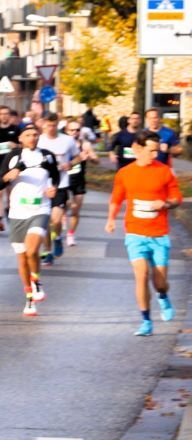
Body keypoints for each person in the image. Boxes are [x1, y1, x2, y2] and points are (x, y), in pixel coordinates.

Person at [107, 134, 183, 336]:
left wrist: (165, 204)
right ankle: (146, 321)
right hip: (135, 233)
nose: (155, 154)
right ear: (137, 148)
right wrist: (111, 218)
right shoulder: (125, 173)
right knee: (141, 276)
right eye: (151, 150)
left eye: (156, 150)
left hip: (159, 234)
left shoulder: (164, 171)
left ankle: (163, 297)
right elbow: (116, 198)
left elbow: (177, 198)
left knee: (159, 283)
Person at [0, 124, 61, 317]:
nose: (32, 138)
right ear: (21, 138)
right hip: (17, 211)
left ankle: (36, 281)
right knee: (22, 257)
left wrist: (53, 189)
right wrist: (11, 175)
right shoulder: (13, 157)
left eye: (35, 135)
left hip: (40, 208)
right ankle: (29, 298)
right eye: (28, 135)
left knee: (33, 249)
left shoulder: (47, 156)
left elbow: (55, 178)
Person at [36, 113, 80, 264]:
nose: (51, 128)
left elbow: (78, 157)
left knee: (55, 220)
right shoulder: (39, 140)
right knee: (46, 221)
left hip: (60, 184)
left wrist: (70, 164)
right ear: (43, 124)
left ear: (58, 125)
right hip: (43, 186)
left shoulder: (67, 140)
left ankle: (58, 238)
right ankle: (47, 252)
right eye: (48, 125)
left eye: (54, 125)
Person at [63, 120, 98, 248]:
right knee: (64, 205)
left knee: (75, 210)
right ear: (66, 131)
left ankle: (70, 234)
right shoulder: (62, 144)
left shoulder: (85, 145)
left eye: (77, 130)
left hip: (78, 181)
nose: (75, 132)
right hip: (64, 181)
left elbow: (96, 160)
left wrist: (91, 157)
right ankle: (61, 217)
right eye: (72, 130)